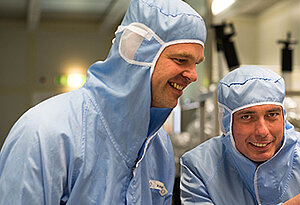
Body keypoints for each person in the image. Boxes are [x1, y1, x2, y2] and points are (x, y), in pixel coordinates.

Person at [0, 0, 205, 204]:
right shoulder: (46, 133)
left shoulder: (160, 146)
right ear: (137, 52)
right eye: (180, 60)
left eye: (196, 63)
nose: (193, 75)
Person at [180, 65, 300, 205]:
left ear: (283, 116)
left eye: (272, 115)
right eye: (247, 117)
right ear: (226, 123)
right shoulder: (199, 167)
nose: (262, 131)